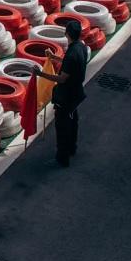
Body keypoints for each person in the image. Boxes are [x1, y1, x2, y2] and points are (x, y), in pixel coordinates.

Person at [33, 17, 89, 167]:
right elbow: (71, 65)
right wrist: (54, 58)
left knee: (63, 127)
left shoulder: (71, 54)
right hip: (76, 93)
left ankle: (63, 157)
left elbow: (62, 78)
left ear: (67, 34)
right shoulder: (81, 47)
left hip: (66, 96)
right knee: (73, 122)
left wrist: (40, 74)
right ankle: (72, 148)